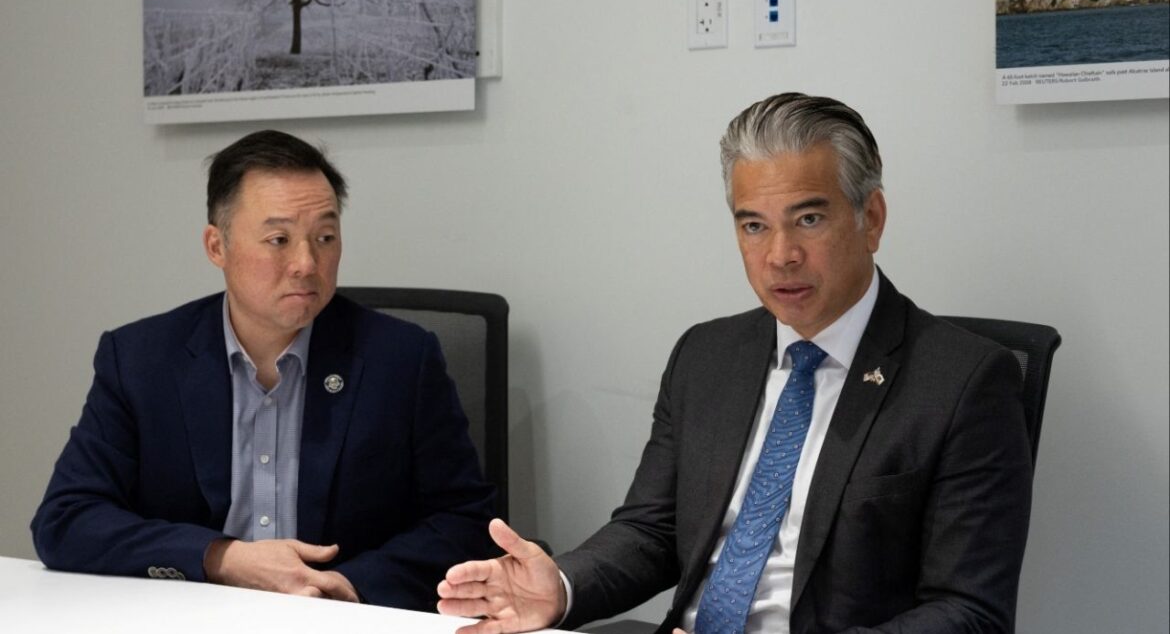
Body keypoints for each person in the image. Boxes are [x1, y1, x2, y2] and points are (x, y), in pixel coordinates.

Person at [436, 93, 1033, 633]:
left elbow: (969, 612)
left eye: (809, 219)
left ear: (870, 218)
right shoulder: (706, 355)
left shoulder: (963, 380)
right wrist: (564, 585)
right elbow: (652, 530)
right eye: (754, 226)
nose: (780, 255)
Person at [31, 129, 495, 610]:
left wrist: (348, 585)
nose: (306, 263)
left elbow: (465, 521)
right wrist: (220, 558)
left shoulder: (401, 359)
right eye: (279, 239)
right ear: (217, 246)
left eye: (325, 238)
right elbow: (66, 519)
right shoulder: (141, 360)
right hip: (190, 615)